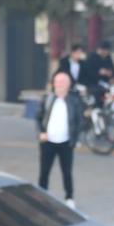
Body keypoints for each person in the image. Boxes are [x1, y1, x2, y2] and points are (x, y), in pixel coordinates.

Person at [37, 70, 84, 208]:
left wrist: (74, 138)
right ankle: (41, 195)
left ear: (68, 84)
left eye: (62, 82)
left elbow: (79, 121)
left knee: (67, 172)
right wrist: (40, 133)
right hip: (48, 142)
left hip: (66, 143)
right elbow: (38, 118)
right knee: (44, 171)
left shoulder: (74, 101)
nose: (59, 84)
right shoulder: (48, 99)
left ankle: (69, 197)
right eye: (57, 81)